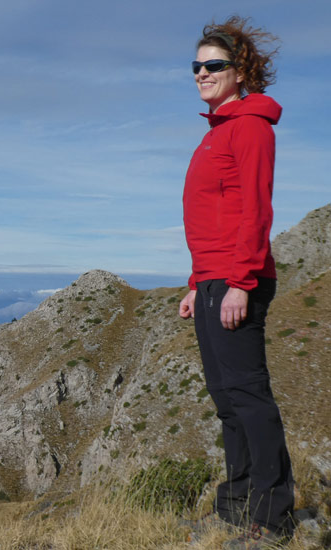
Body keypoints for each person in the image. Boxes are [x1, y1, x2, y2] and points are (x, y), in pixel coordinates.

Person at [177, 15, 294, 549]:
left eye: (213, 65)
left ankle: (272, 519)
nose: (202, 73)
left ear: (239, 69)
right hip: (212, 279)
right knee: (226, 399)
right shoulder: (218, 131)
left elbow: (254, 209)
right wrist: (196, 281)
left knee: (249, 397)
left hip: (236, 278)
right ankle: (235, 507)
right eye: (197, 66)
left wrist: (240, 282)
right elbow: (212, 218)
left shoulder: (248, 127)